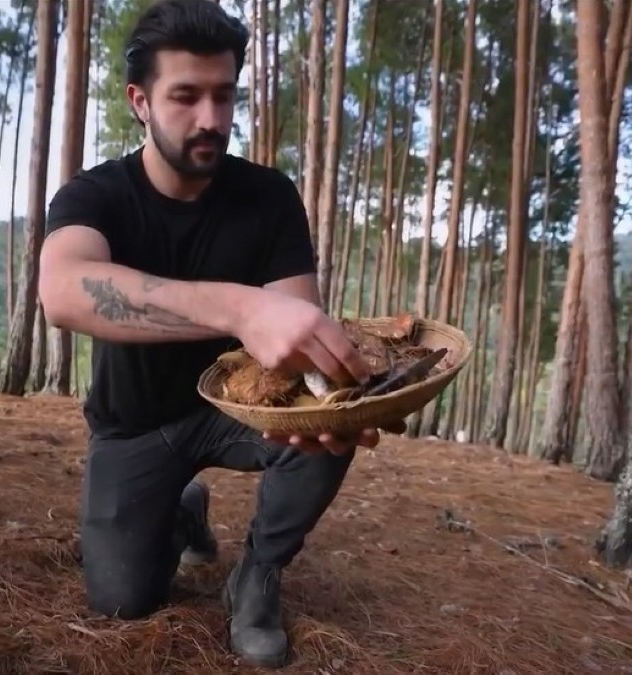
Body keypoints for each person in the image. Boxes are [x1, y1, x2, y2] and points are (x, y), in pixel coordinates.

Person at [37, 0, 403, 668]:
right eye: (185, 96)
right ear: (140, 101)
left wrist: (344, 399)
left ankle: (258, 572)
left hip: (238, 412)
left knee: (332, 414)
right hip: (135, 425)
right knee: (121, 599)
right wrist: (237, 308)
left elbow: (297, 343)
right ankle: (182, 507)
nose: (211, 119)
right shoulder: (96, 196)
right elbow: (63, 290)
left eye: (224, 95)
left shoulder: (268, 196)